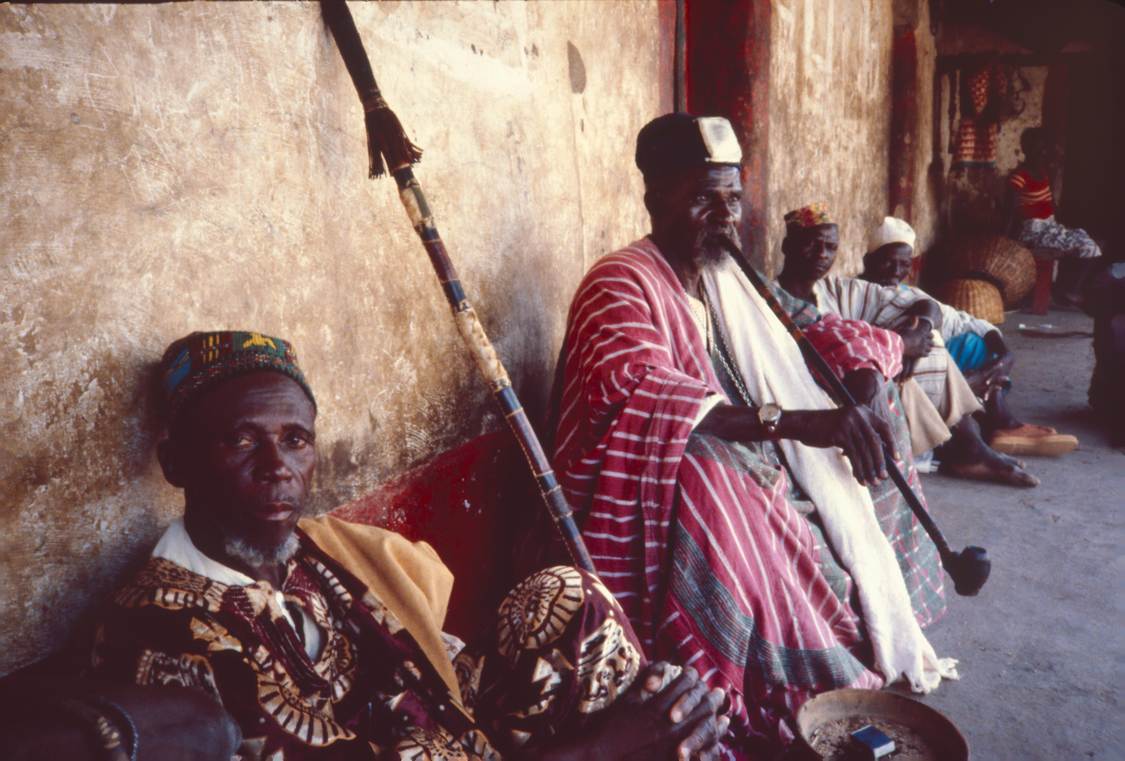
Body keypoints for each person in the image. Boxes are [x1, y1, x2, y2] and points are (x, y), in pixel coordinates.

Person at [91, 330, 728, 760]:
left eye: (295, 439)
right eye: (239, 441)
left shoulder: (310, 552)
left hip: (455, 737)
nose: (278, 466)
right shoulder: (168, 636)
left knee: (570, 598)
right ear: (175, 462)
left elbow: (427, 664)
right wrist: (602, 748)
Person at [553, 114, 956, 755]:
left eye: (732, 198)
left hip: (764, 454)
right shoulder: (619, 283)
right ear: (655, 197)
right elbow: (653, 398)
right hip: (643, 495)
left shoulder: (728, 275)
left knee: (875, 433)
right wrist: (803, 425)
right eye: (701, 198)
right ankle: (748, 687)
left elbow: (807, 326)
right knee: (715, 473)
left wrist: (864, 384)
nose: (724, 216)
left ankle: (874, 628)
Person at [776, 207, 1039, 487]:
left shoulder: (834, 290)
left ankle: (968, 448)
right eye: (811, 244)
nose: (821, 255)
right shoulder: (771, 296)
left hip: (863, 380)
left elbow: (925, 306)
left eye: (830, 247)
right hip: (817, 388)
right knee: (895, 369)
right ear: (787, 246)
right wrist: (896, 347)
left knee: (928, 345)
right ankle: (967, 448)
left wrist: (916, 333)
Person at [860, 216, 1078, 457]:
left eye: (904, 265)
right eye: (888, 263)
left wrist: (1005, 355)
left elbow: (965, 321)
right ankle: (1000, 425)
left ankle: (996, 423)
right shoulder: (857, 294)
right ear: (869, 260)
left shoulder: (908, 292)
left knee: (978, 344)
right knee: (947, 348)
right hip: (902, 364)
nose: (896, 271)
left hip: (934, 356)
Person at [1007, 127, 1102, 306]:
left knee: (1092, 243)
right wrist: (1007, 240)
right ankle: (1068, 290)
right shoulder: (1019, 177)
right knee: (1087, 246)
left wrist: (1064, 225)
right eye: (1038, 149)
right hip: (1033, 231)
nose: (1043, 153)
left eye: (1044, 149)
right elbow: (1010, 211)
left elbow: (1051, 206)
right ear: (1027, 150)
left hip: (1049, 226)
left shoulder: (1043, 174)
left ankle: (1066, 288)